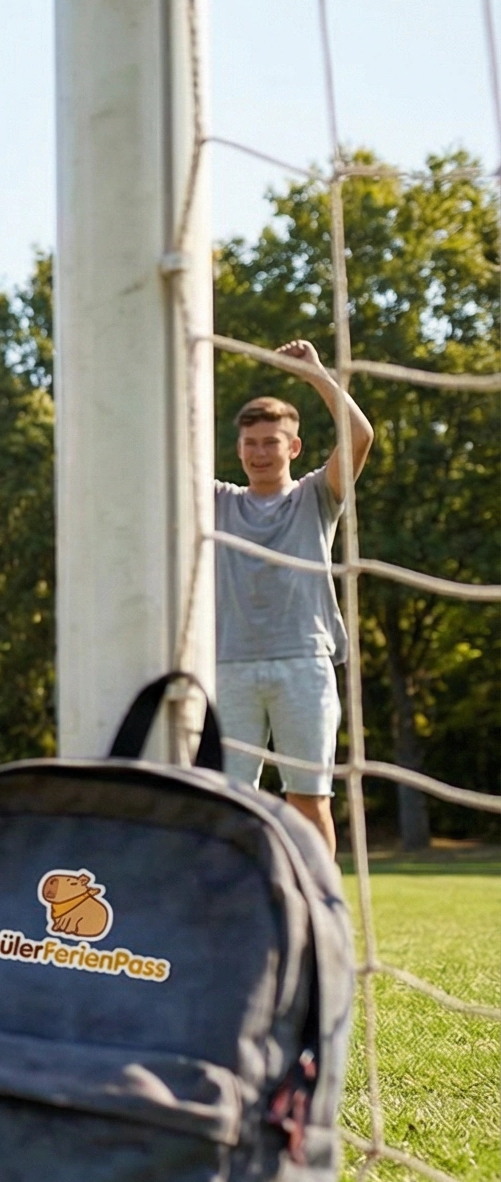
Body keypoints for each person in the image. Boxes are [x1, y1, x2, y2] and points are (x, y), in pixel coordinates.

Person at [215, 339, 371, 858]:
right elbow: (160, 459)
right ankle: (235, 917)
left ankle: (320, 916)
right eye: (251, 443)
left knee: (309, 800)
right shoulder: (217, 502)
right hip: (228, 667)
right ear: (238, 449)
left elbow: (360, 435)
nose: (260, 452)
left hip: (305, 663)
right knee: (230, 804)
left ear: (293, 447)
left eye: (271, 442)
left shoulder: (313, 498)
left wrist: (317, 376)